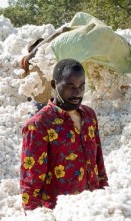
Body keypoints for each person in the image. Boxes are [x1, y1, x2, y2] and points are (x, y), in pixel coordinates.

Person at [20, 59, 108, 211]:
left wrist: (105, 196)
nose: (77, 93)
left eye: (81, 86)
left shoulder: (89, 116)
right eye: (70, 86)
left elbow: (98, 163)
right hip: (59, 216)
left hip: (93, 210)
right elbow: (31, 180)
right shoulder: (39, 125)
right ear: (54, 85)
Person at [20, 12, 131, 110]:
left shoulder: (46, 52)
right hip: (49, 102)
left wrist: (33, 52)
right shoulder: (59, 48)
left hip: (52, 102)